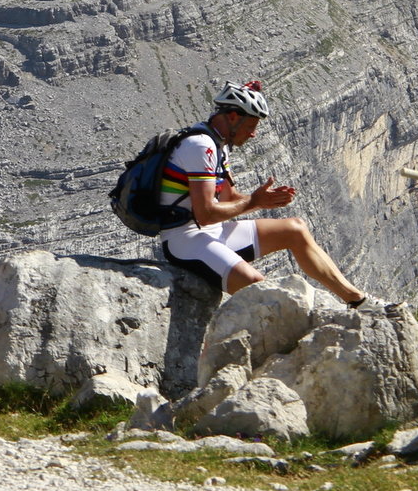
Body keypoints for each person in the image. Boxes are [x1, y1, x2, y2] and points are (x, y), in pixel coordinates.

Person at [158, 79, 399, 314]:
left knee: (295, 229)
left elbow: (229, 198)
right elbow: (206, 213)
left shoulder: (218, 144)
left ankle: (358, 301)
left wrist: (263, 200)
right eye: (251, 126)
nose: (253, 134)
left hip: (210, 232)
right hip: (185, 239)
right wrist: (254, 201)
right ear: (233, 117)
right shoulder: (201, 147)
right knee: (258, 286)